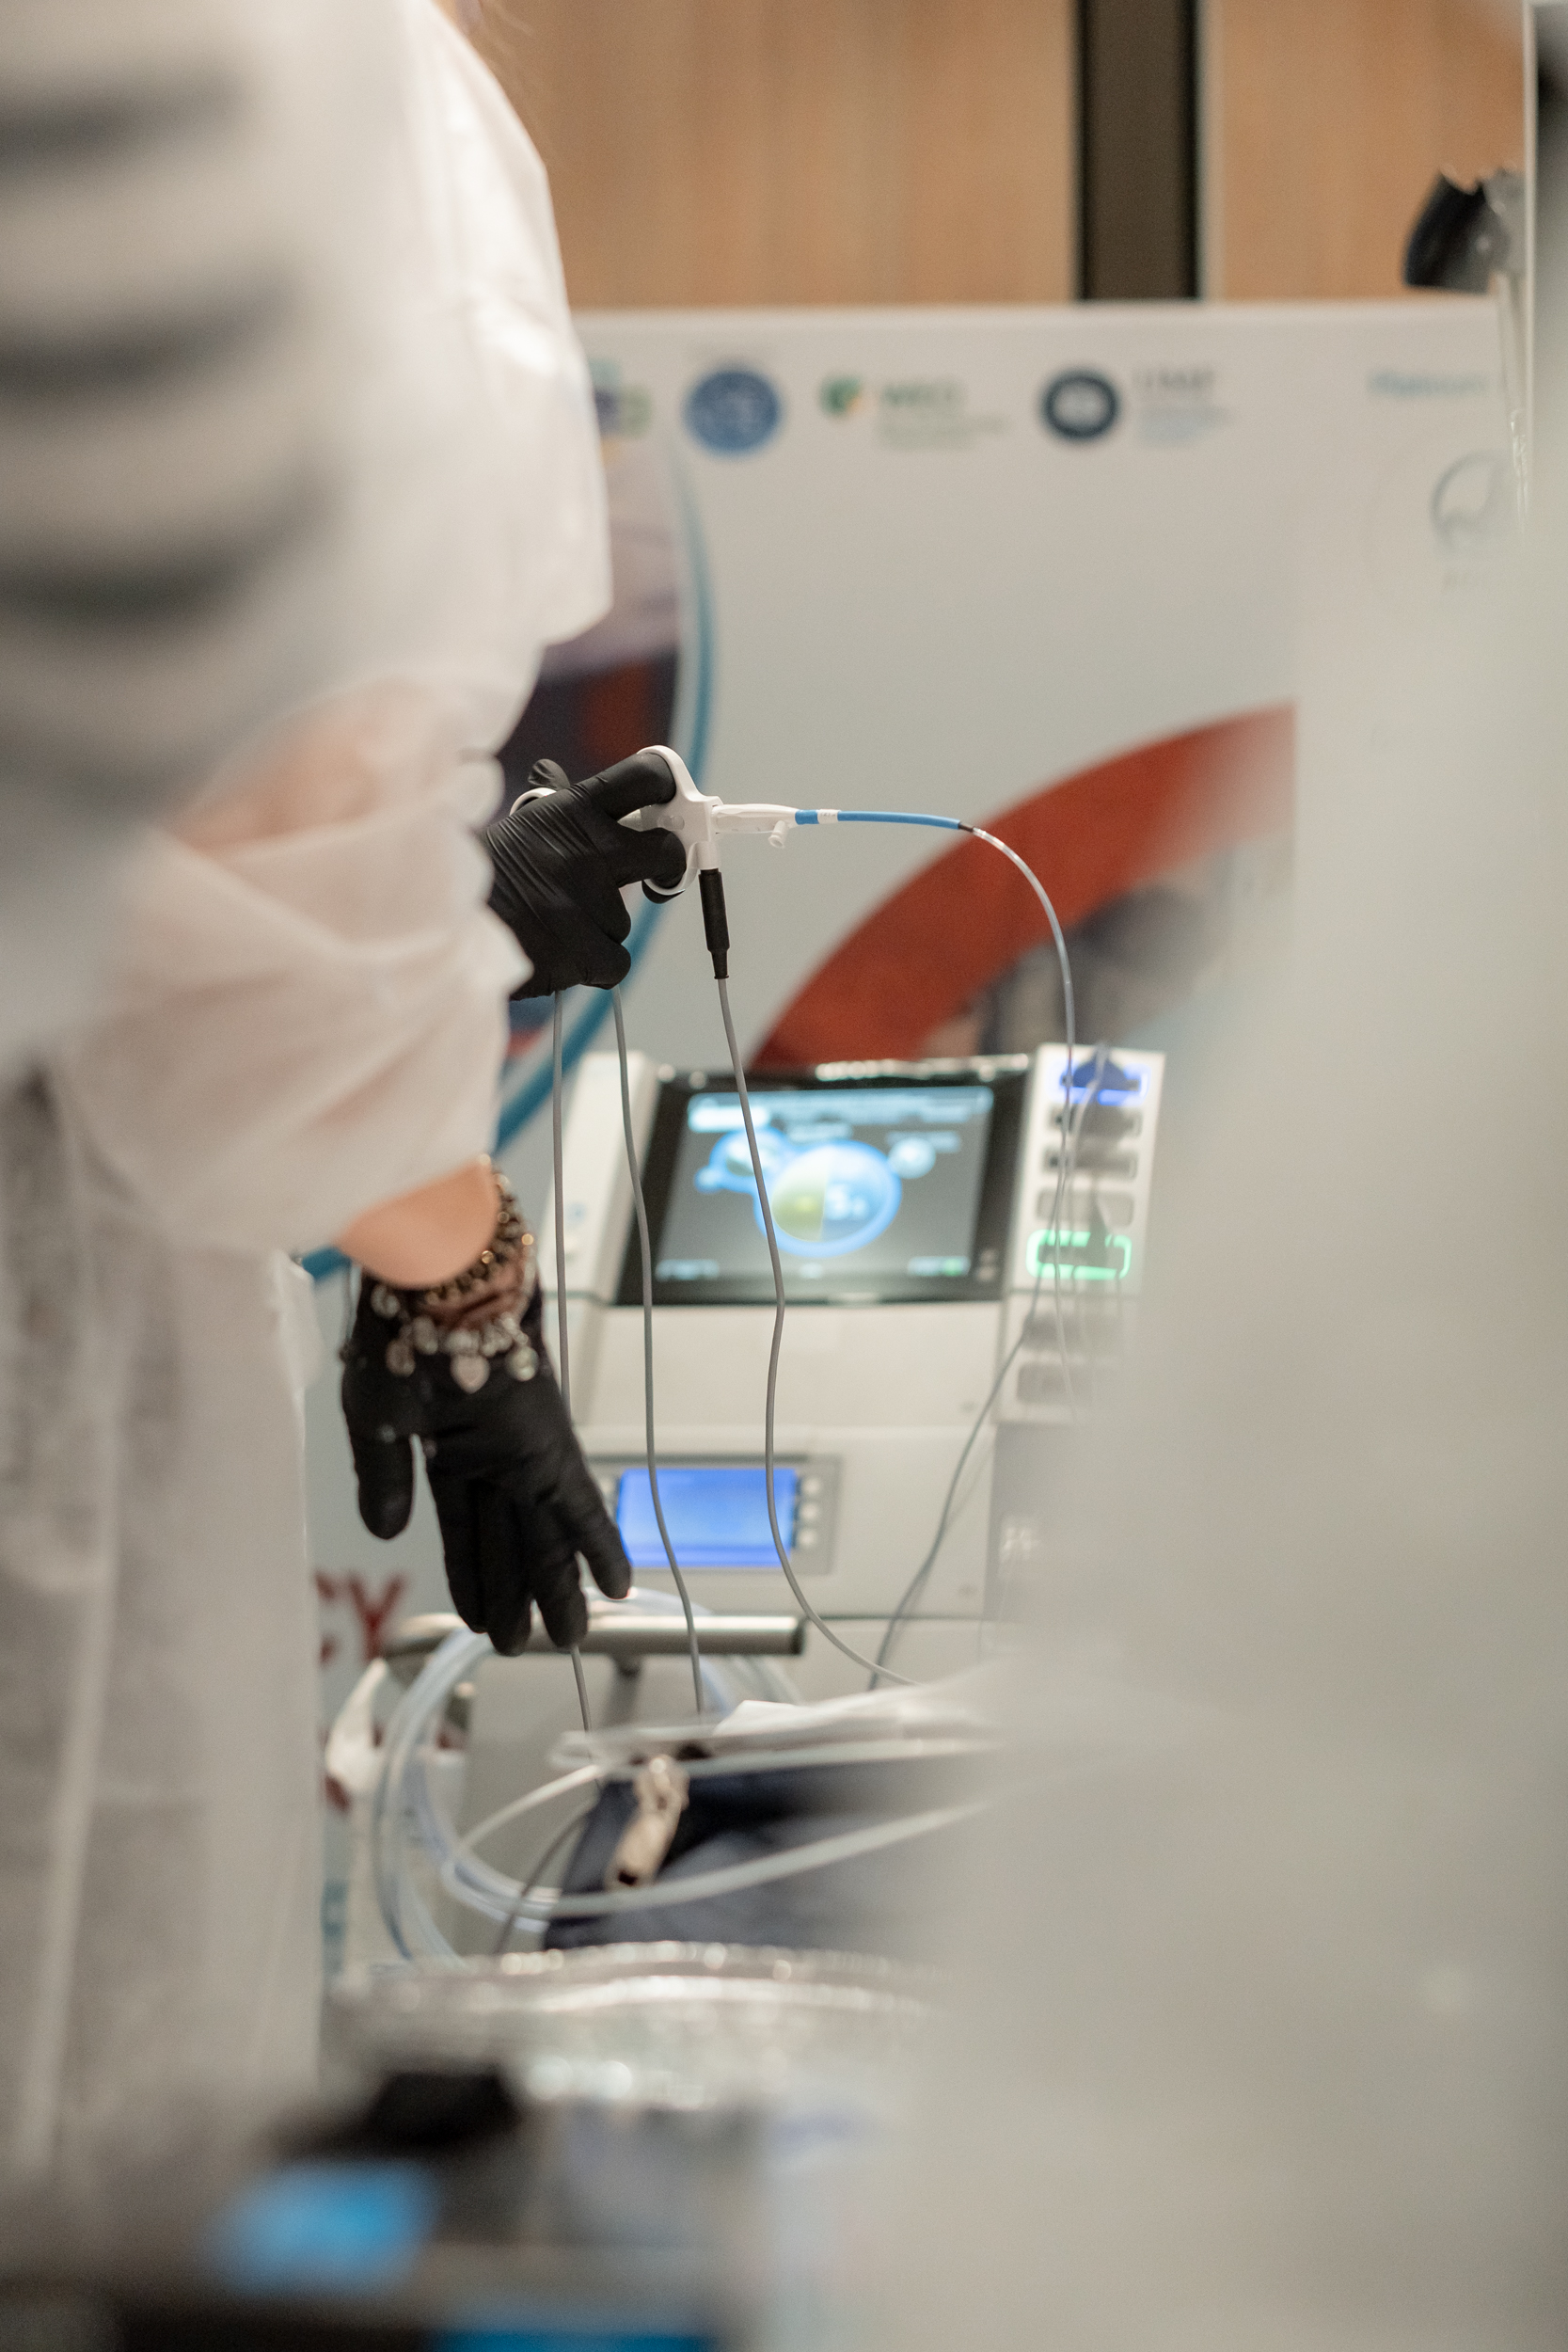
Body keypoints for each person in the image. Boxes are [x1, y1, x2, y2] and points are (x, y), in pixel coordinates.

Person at [2, 0, 675, 2174]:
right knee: (80, 2172)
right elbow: (254, 902)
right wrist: (463, 1279)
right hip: (53, 1320)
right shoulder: (266, 64)